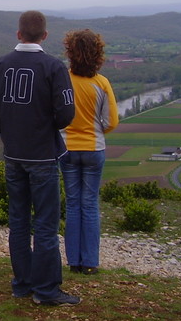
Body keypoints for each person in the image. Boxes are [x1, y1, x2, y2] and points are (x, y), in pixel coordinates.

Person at [0, 10, 78, 306]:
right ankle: (47, 291)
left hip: (12, 155)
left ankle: (22, 284)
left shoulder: (1, 64)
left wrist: (2, 127)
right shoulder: (53, 67)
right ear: (45, 35)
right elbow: (66, 113)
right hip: (43, 156)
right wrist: (48, 126)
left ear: (18, 34)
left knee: (19, 221)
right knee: (45, 224)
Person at [60, 29, 119, 275]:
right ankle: (91, 263)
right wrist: (94, 133)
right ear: (98, 54)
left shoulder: (62, 79)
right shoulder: (102, 83)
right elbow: (111, 122)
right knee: (90, 204)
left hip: (67, 150)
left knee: (73, 205)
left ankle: (73, 261)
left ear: (71, 52)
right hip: (94, 149)